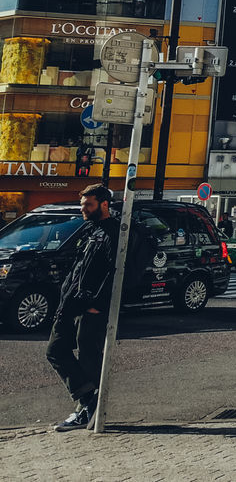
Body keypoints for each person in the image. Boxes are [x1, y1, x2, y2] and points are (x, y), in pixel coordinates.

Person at [46, 184, 118, 431]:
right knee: (55, 350)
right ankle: (89, 401)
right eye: (82, 204)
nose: (83, 209)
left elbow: (113, 274)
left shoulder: (113, 232)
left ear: (104, 204)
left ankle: (86, 409)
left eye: (89, 204)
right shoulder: (89, 229)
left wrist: (97, 305)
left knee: (87, 354)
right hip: (70, 303)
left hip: (91, 307)